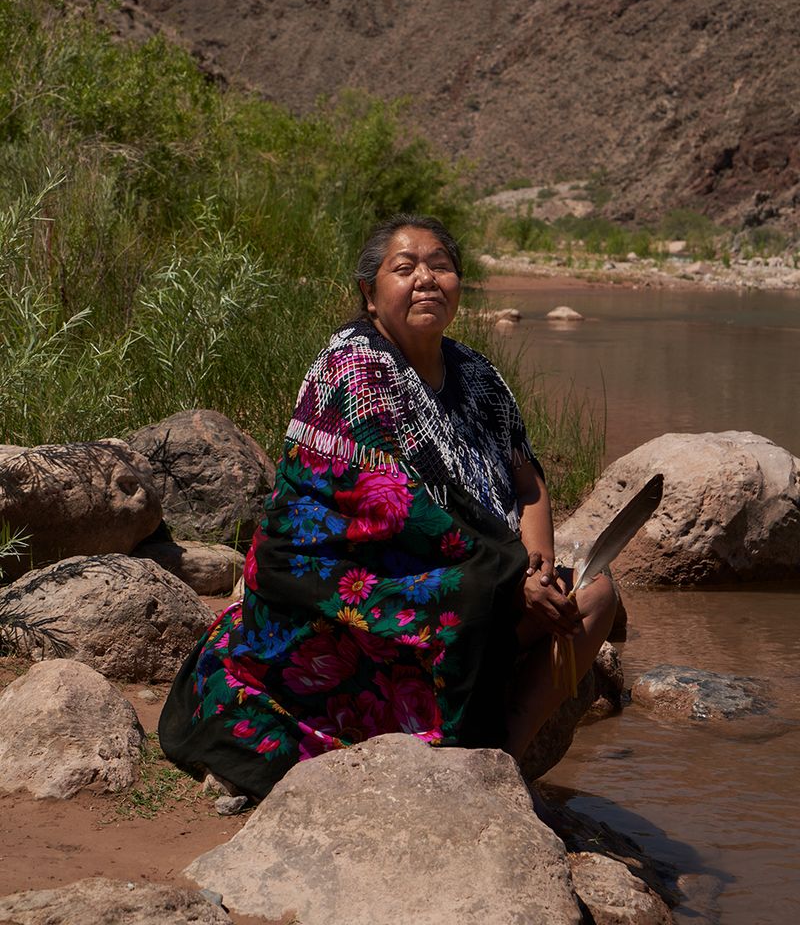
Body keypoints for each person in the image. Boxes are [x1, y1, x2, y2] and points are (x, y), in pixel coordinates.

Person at [159, 214, 616, 799]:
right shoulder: (352, 370)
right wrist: (510, 580)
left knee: (595, 595)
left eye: (441, 266)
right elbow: (396, 517)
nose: (426, 279)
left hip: (478, 572)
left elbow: (527, 482)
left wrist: (539, 564)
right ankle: (453, 748)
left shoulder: (479, 376)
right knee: (479, 599)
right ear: (370, 295)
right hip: (352, 583)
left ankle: (504, 763)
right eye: (405, 268)